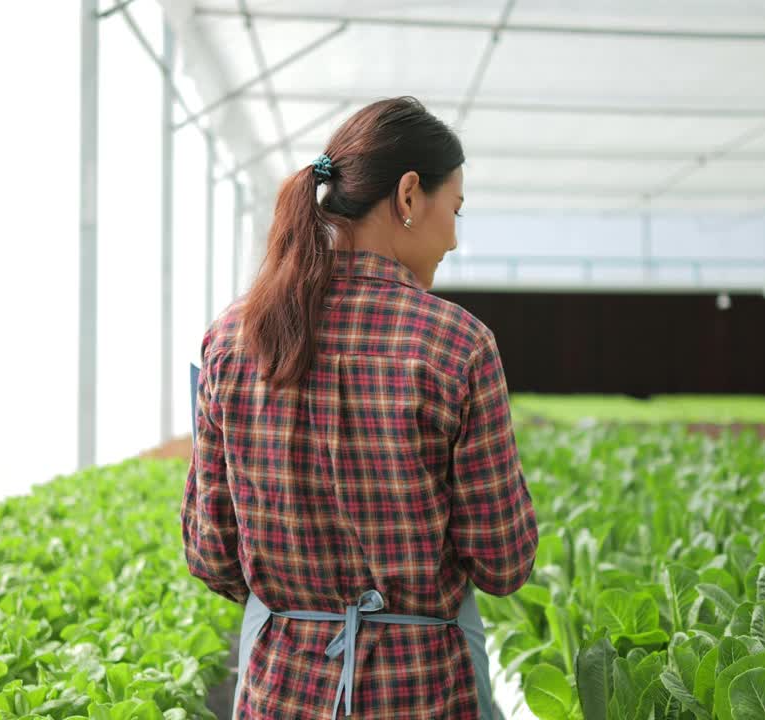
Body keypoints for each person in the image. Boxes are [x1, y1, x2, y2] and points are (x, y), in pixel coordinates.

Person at [182, 96, 539, 719]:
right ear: (407, 196)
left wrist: (299, 602)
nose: (454, 238)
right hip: (422, 691)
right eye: (453, 210)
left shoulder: (232, 339)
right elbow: (502, 561)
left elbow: (211, 549)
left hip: (279, 689)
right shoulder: (457, 344)